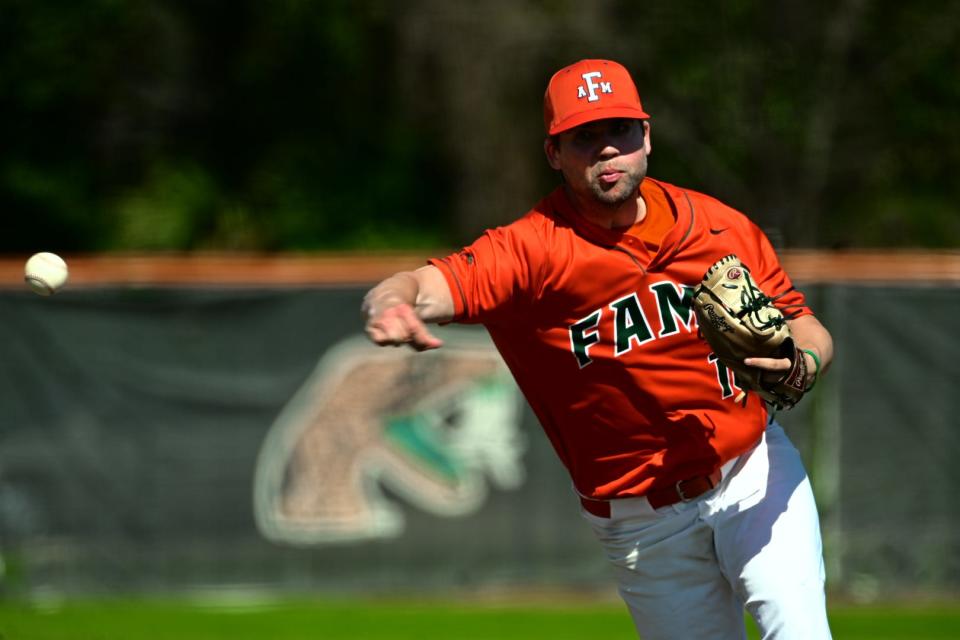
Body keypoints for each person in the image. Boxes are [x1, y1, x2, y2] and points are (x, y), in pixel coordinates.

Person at [363, 58, 835, 639]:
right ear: (554, 154)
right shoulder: (532, 252)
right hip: (642, 521)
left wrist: (804, 361)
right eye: (584, 137)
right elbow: (428, 282)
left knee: (799, 630)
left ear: (647, 137)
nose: (607, 150)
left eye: (620, 130)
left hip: (753, 471)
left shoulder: (717, 226)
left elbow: (804, 323)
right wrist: (394, 301)